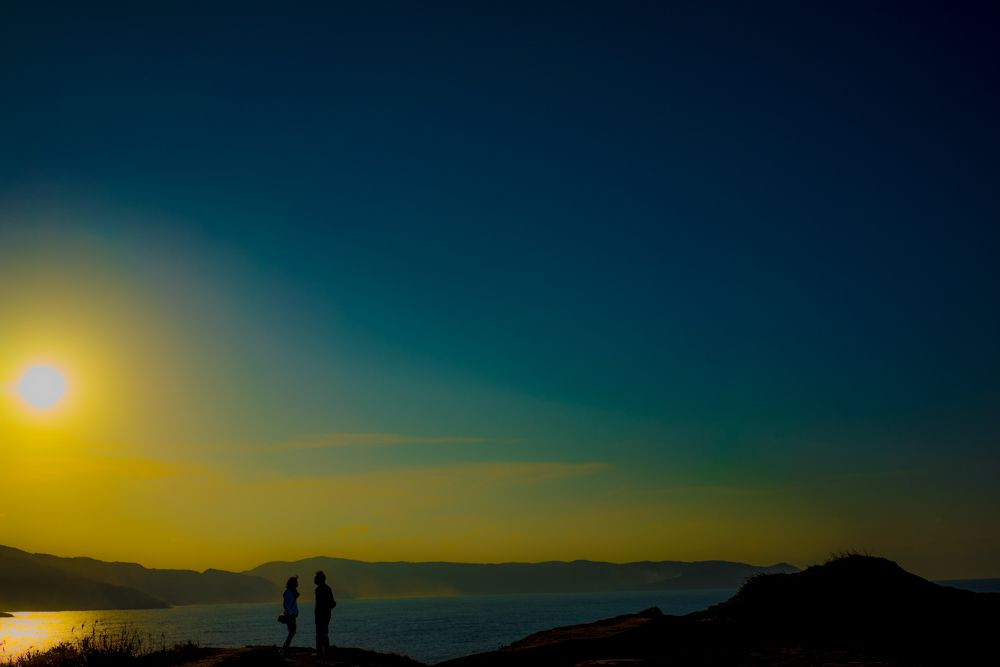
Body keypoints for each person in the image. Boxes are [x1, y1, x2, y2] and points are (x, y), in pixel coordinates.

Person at [314, 570, 337, 656]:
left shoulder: (319, 589)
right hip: (326, 614)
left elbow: (321, 603)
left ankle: (320, 652)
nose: (314, 580)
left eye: (315, 578)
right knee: (323, 633)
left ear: (319, 579)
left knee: (320, 633)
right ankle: (325, 651)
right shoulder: (327, 588)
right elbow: (332, 603)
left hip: (321, 614)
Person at [280, 575, 299, 655]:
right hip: (290, 615)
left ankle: (285, 648)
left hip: (292, 614)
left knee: (292, 631)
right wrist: (291, 614)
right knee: (292, 631)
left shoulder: (290, 592)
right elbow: (286, 605)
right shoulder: (288, 593)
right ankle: (285, 648)